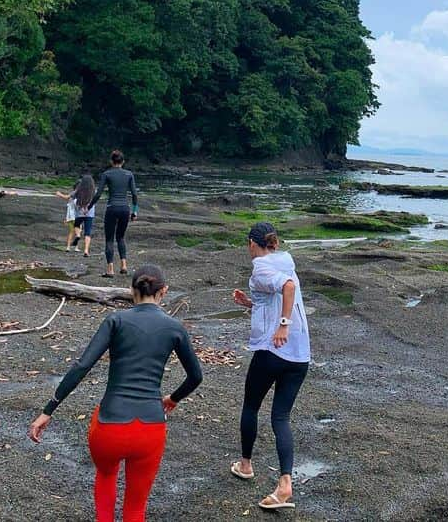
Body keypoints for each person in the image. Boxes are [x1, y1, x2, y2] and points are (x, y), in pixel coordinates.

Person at [28, 264, 202, 522]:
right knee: (135, 509)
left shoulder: (116, 320)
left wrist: (48, 410)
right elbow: (196, 376)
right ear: (163, 291)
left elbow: (82, 366)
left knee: (106, 476)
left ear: (132, 290)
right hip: (150, 429)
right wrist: (172, 399)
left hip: (109, 427)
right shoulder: (174, 328)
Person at [230, 221, 310, 511]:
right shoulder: (285, 261)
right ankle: (285, 484)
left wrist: (282, 327)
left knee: (251, 406)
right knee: (280, 418)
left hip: (273, 350)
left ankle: (246, 465)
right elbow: (280, 294)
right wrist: (251, 304)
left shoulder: (261, 265)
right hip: (300, 356)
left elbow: (286, 288)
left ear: (253, 243)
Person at [87, 150, 138, 278]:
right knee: (120, 237)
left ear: (111, 161)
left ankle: (110, 269)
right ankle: (124, 265)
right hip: (125, 208)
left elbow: (98, 193)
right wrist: (135, 211)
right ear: (123, 162)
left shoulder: (107, 174)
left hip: (112, 207)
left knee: (109, 239)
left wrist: (89, 206)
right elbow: (134, 194)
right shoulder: (129, 174)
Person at [55, 170, 97, 257]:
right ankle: (86, 250)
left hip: (79, 213)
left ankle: (78, 235)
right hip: (89, 214)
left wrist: (59, 194)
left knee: (76, 226)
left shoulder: (78, 190)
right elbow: (96, 199)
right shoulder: (94, 191)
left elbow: (67, 197)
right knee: (88, 233)